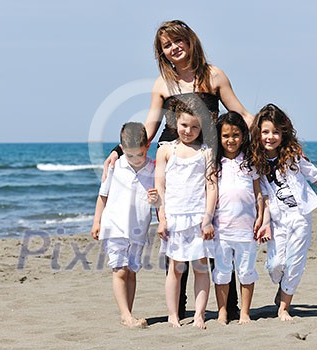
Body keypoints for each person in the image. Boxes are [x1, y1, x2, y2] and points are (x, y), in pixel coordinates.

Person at [103, 19, 253, 319]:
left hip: (208, 158)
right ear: (162, 53)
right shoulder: (162, 84)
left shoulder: (214, 75)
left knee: (216, 232)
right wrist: (121, 149)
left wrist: (275, 136)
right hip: (172, 161)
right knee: (177, 234)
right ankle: (181, 309)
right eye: (166, 47)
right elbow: (151, 125)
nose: (174, 49)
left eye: (177, 42)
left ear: (190, 40)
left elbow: (240, 113)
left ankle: (229, 306)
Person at [250, 103, 317, 321]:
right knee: (276, 265)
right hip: (276, 219)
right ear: (258, 133)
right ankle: (282, 287)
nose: (270, 137)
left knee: (295, 263)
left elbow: (315, 176)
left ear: (284, 133)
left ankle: (283, 307)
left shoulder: (293, 155)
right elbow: (260, 196)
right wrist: (262, 220)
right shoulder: (256, 161)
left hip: (300, 216)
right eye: (265, 132)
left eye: (276, 132)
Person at [155, 96, 216, 329]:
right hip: (174, 217)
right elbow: (160, 186)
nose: (188, 131)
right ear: (175, 123)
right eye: (184, 125)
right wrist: (162, 219)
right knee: (175, 268)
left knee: (201, 267)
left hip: (199, 217)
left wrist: (208, 218)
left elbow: (212, 187)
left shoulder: (206, 152)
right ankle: (173, 314)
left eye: (194, 127)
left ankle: (199, 314)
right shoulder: (166, 150)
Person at [91, 122, 157, 329]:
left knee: (131, 271)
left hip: (139, 228)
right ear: (121, 148)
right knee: (119, 269)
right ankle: (126, 315)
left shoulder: (153, 168)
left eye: (139, 154)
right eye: (130, 155)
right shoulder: (115, 166)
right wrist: (97, 221)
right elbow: (103, 196)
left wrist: (156, 200)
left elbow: (158, 201)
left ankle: (128, 312)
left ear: (148, 146)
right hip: (114, 225)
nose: (135, 159)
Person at [210, 111, 268, 325]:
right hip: (222, 229)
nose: (231, 140)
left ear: (243, 136)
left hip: (247, 229)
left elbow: (258, 192)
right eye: (226, 136)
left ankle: (245, 312)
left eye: (235, 135)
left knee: (246, 271)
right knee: (222, 273)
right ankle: (222, 311)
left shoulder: (250, 162)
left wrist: (261, 216)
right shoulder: (216, 165)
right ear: (219, 137)